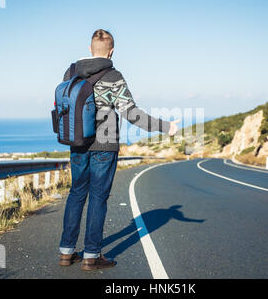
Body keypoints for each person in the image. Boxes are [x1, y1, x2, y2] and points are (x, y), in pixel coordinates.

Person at [59, 29, 179, 271]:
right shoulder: (113, 75)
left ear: (90, 48)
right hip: (104, 145)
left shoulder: (71, 71)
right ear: (111, 51)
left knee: (76, 193)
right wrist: (165, 127)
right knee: (98, 197)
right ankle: (91, 255)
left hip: (77, 143)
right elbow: (132, 113)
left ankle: (66, 251)